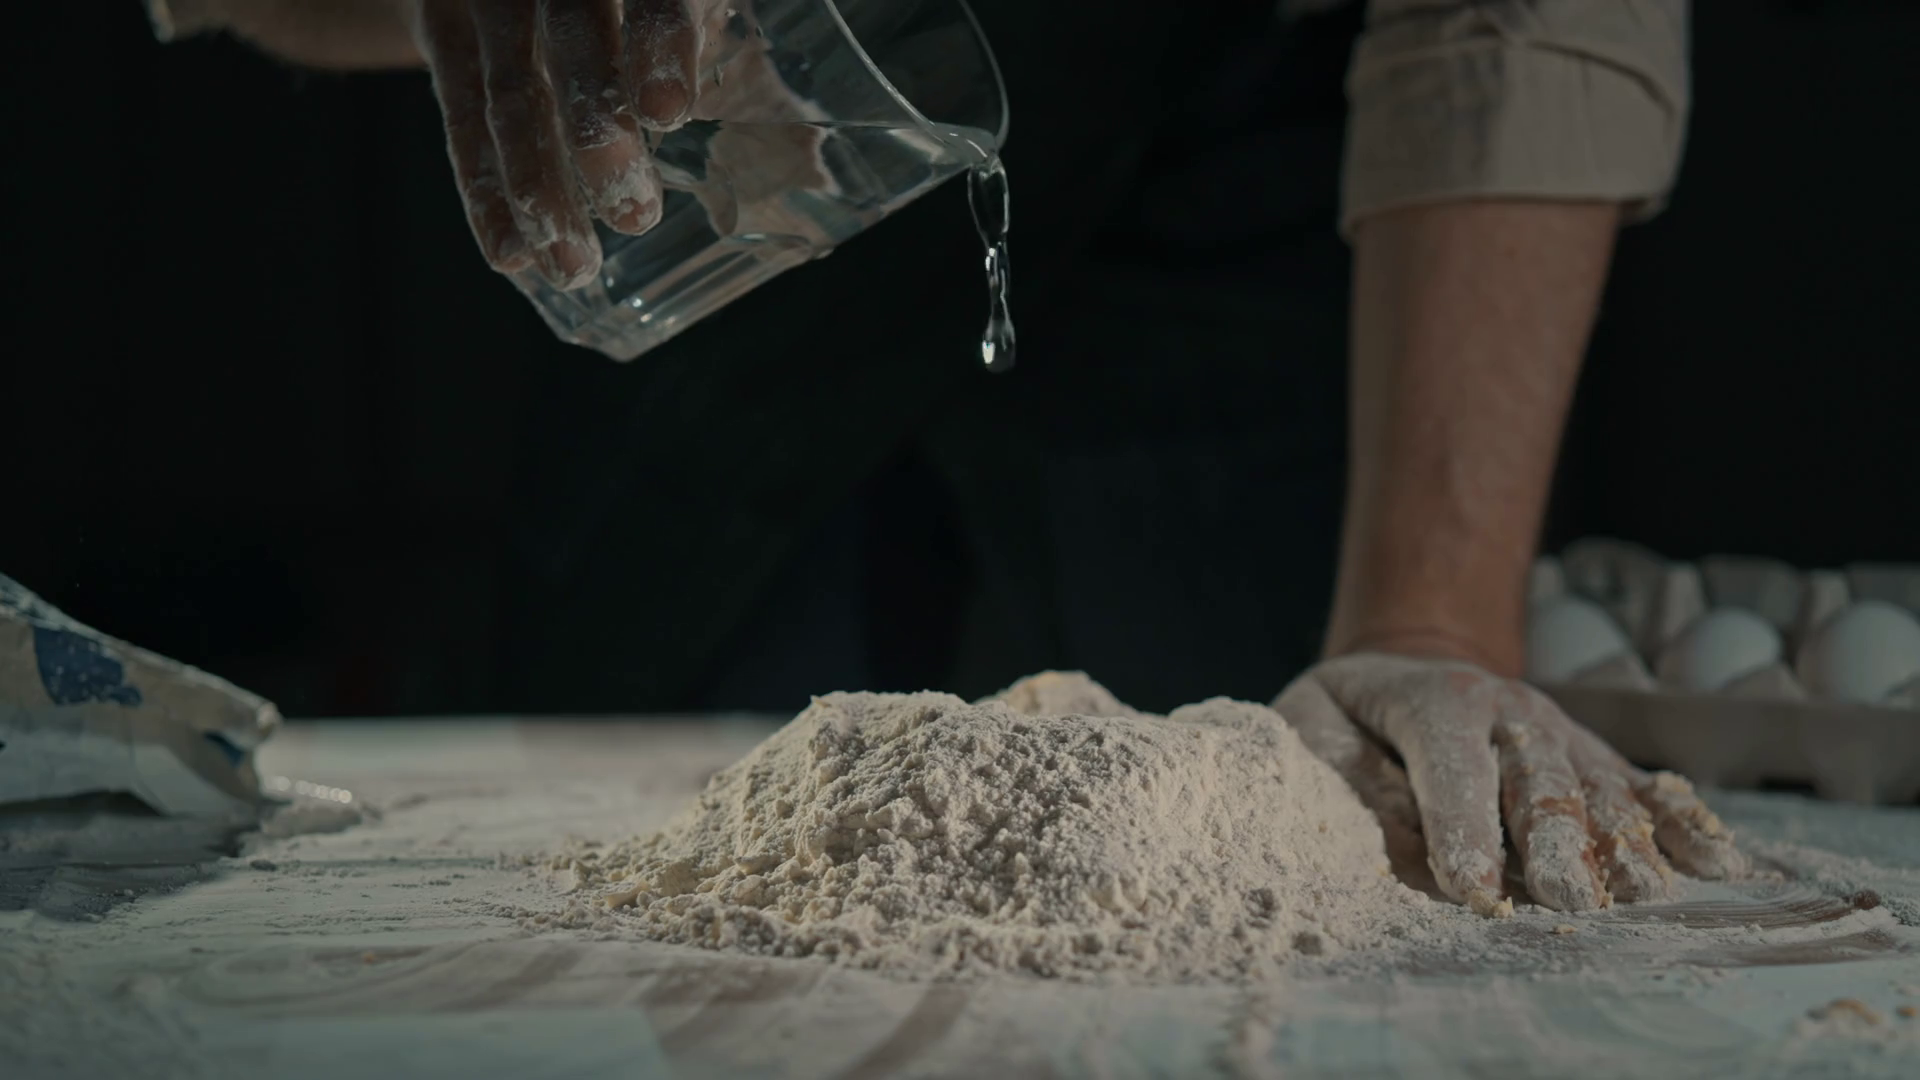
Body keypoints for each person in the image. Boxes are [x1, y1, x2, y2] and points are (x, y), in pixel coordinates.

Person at [143, 0, 1744, 914]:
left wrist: (1436, 613)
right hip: (746, 121)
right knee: (687, 869)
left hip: (1263, 145)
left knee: (1278, 854)